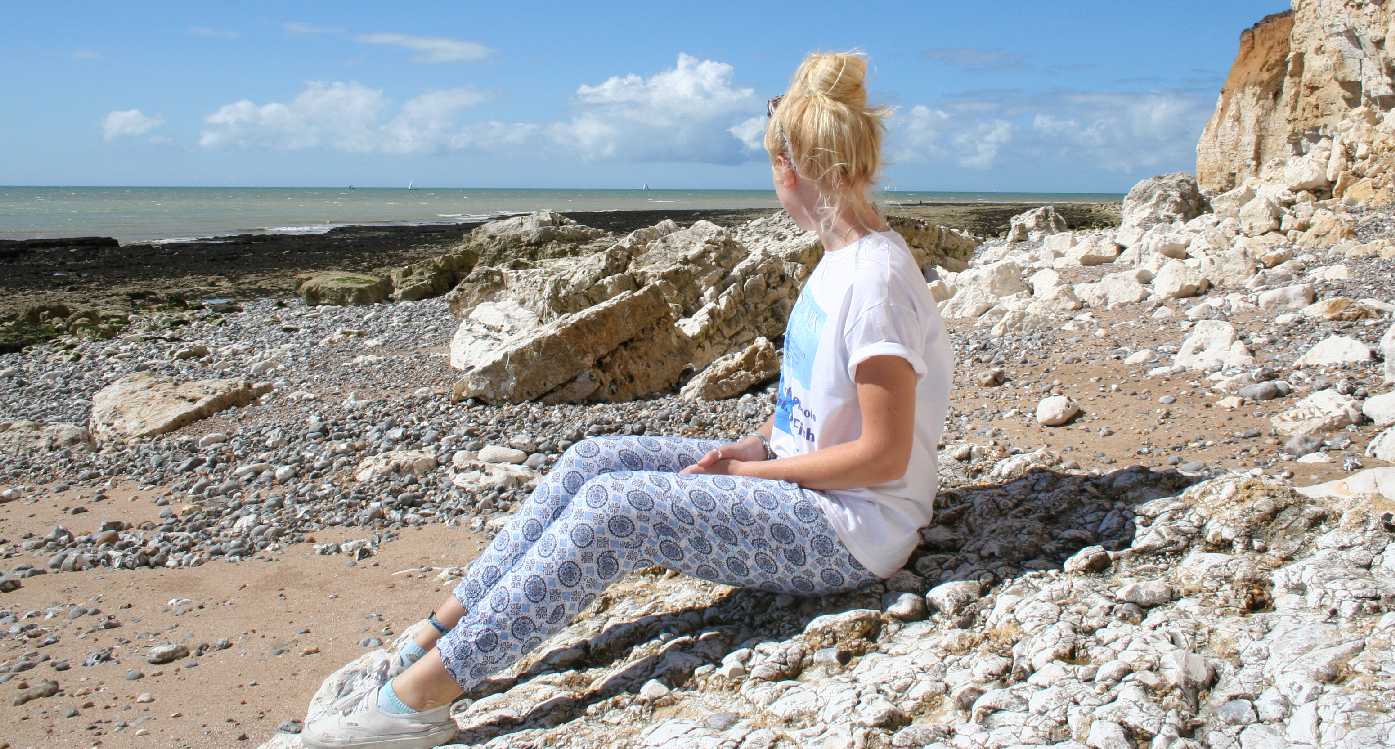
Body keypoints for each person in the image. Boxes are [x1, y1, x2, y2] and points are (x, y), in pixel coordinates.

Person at [303, 50, 954, 749]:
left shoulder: (875, 281)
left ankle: (416, 700)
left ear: (785, 169)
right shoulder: (839, 261)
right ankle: (439, 630)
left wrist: (748, 476)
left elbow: (883, 457)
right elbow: (819, 407)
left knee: (618, 510)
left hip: (852, 533)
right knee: (596, 456)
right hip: (804, 487)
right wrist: (760, 444)